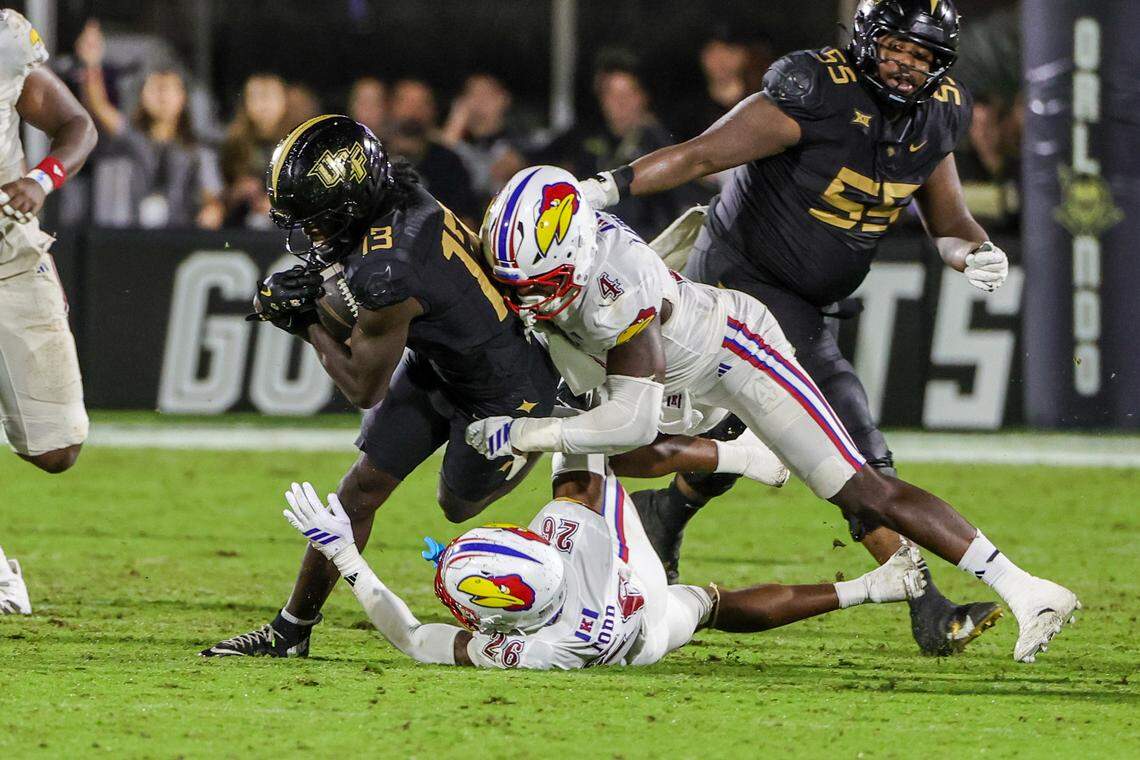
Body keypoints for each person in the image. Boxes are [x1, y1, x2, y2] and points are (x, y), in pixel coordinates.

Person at [197, 116, 782, 657]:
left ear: (351, 203)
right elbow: (386, 310)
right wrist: (324, 291)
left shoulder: (386, 268)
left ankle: (726, 457)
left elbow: (361, 386)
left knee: (466, 504)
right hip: (443, 361)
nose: (312, 231)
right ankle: (291, 630)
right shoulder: (398, 194)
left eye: (319, 217)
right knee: (361, 489)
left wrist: (303, 322)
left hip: (508, 390)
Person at [467, 165, 1077, 664]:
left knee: (859, 487)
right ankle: (711, 484)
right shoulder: (555, 224)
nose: (525, 295)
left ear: (577, 252)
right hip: (668, 371)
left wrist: (527, 433)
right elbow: (585, 193)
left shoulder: (612, 292)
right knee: (600, 458)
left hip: (736, 354)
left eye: (537, 282)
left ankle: (1026, 589)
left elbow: (631, 418)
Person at [574, 0, 1016, 656]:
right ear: (868, 38)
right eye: (895, 48)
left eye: (921, 56)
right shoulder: (815, 90)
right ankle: (926, 604)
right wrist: (608, 187)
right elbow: (700, 155)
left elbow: (948, 222)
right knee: (851, 443)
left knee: (742, 431)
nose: (904, 65)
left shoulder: (938, 110)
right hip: (740, 286)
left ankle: (665, 514)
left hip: (808, 304)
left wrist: (972, 251)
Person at [277, 454, 927, 669]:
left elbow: (414, 636)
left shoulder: (533, 652)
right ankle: (739, 454)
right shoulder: (571, 538)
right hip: (624, 593)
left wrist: (345, 555)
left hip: (643, 640)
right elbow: (584, 471)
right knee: (584, 438)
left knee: (708, 605)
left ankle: (879, 586)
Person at [0, 8, 98, 614]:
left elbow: (76, 123)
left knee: (56, 449)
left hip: (7, 250)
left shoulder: (6, 39)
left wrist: (42, 176)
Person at [537, 49, 703, 241]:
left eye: (628, 92)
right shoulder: (585, 136)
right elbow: (539, 161)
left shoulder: (659, 143)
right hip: (588, 242)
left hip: (645, 246)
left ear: (643, 96)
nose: (620, 102)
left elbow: (684, 201)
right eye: (612, 94)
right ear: (601, 98)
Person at [74, 20, 223, 229]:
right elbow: (99, 108)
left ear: (183, 98)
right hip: (129, 235)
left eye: (170, 88)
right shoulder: (131, 137)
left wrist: (212, 208)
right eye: (155, 88)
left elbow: (211, 195)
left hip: (181, 237)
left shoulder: (196, 150)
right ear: (142, 97)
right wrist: (91, 64)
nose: (162, 95)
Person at [387, 78, 478, 223]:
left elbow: (466, 223)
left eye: (422, 103)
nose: (414, 110)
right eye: (406, 102)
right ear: (391, 107)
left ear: (433, 111)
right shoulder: (373, 158)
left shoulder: (449, 163)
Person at [440, 73, 527, 205]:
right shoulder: (453, 142)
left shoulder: (522, 143)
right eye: (473, 94)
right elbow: (435, 166)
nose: (480, 101)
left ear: (504, 98)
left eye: (487, 94)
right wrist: (455, 123)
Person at [219, 73, 289, 228]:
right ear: (245, 102)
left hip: (285, 225)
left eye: (270, 96)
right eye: (256, 97)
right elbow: (216, 193)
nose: (264, 105)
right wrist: (237, 191)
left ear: (284, 101)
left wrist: (279, 204)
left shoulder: (297, 144)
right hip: (240, 221)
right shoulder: (232, 144)